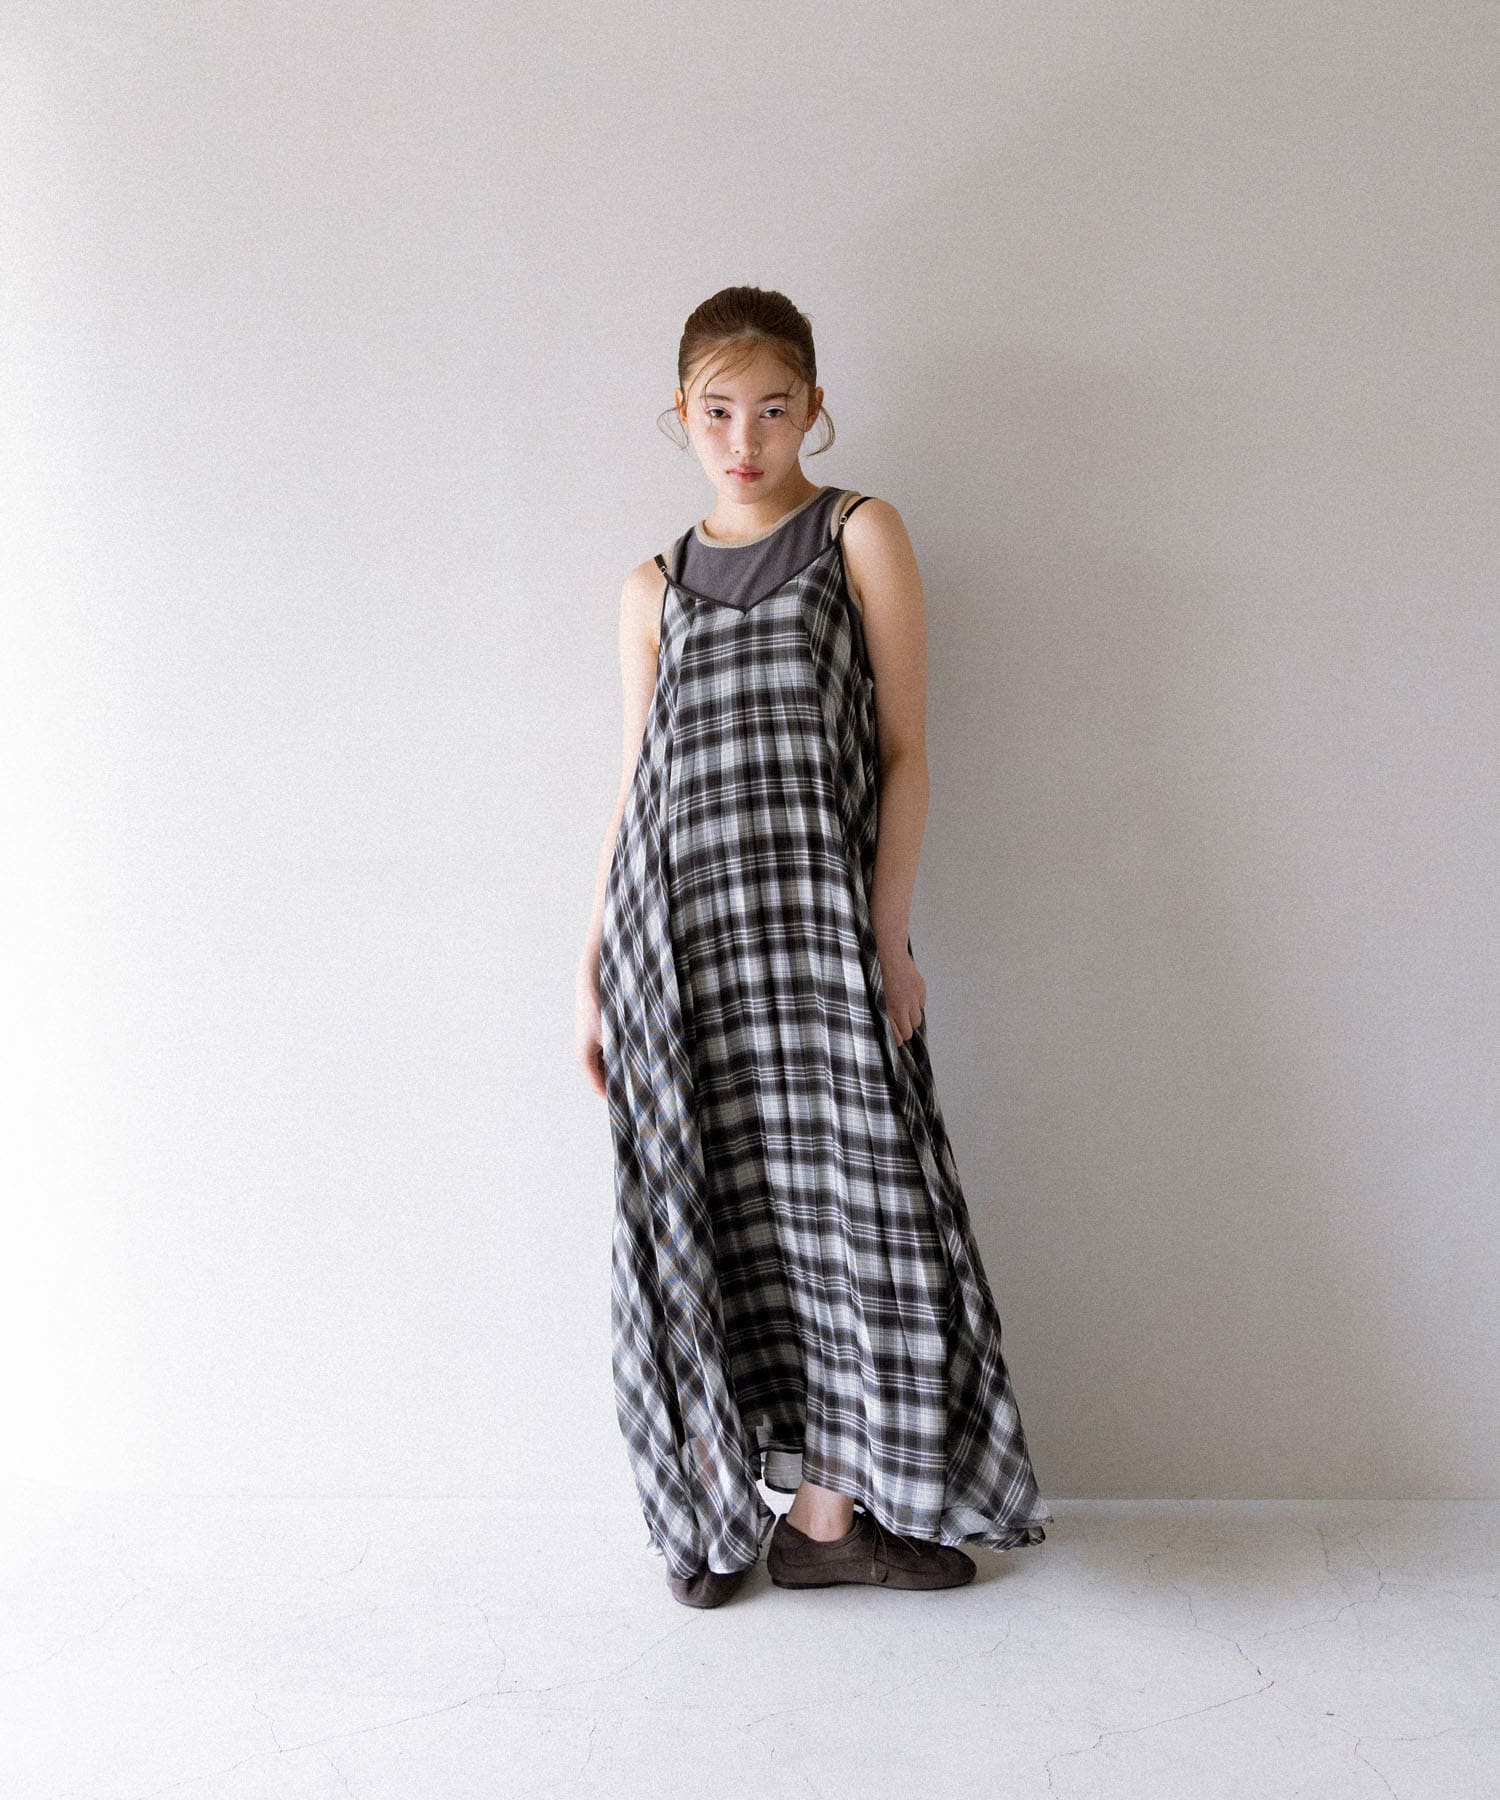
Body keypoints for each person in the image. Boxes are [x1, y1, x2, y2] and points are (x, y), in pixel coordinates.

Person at [574, 285, 1051, 1608]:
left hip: (820, 948)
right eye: (718, 413)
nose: (746, 440)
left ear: (815, 410)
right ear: (681, 416)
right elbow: (636, 786)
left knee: (854, 1218)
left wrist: (886, 938)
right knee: (704, 1220)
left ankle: (829, 1516)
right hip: (681, 953)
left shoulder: (858, 532)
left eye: (773, 409)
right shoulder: (652, 586)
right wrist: (590, 970)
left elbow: (905, 756)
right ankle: (723, 1519)